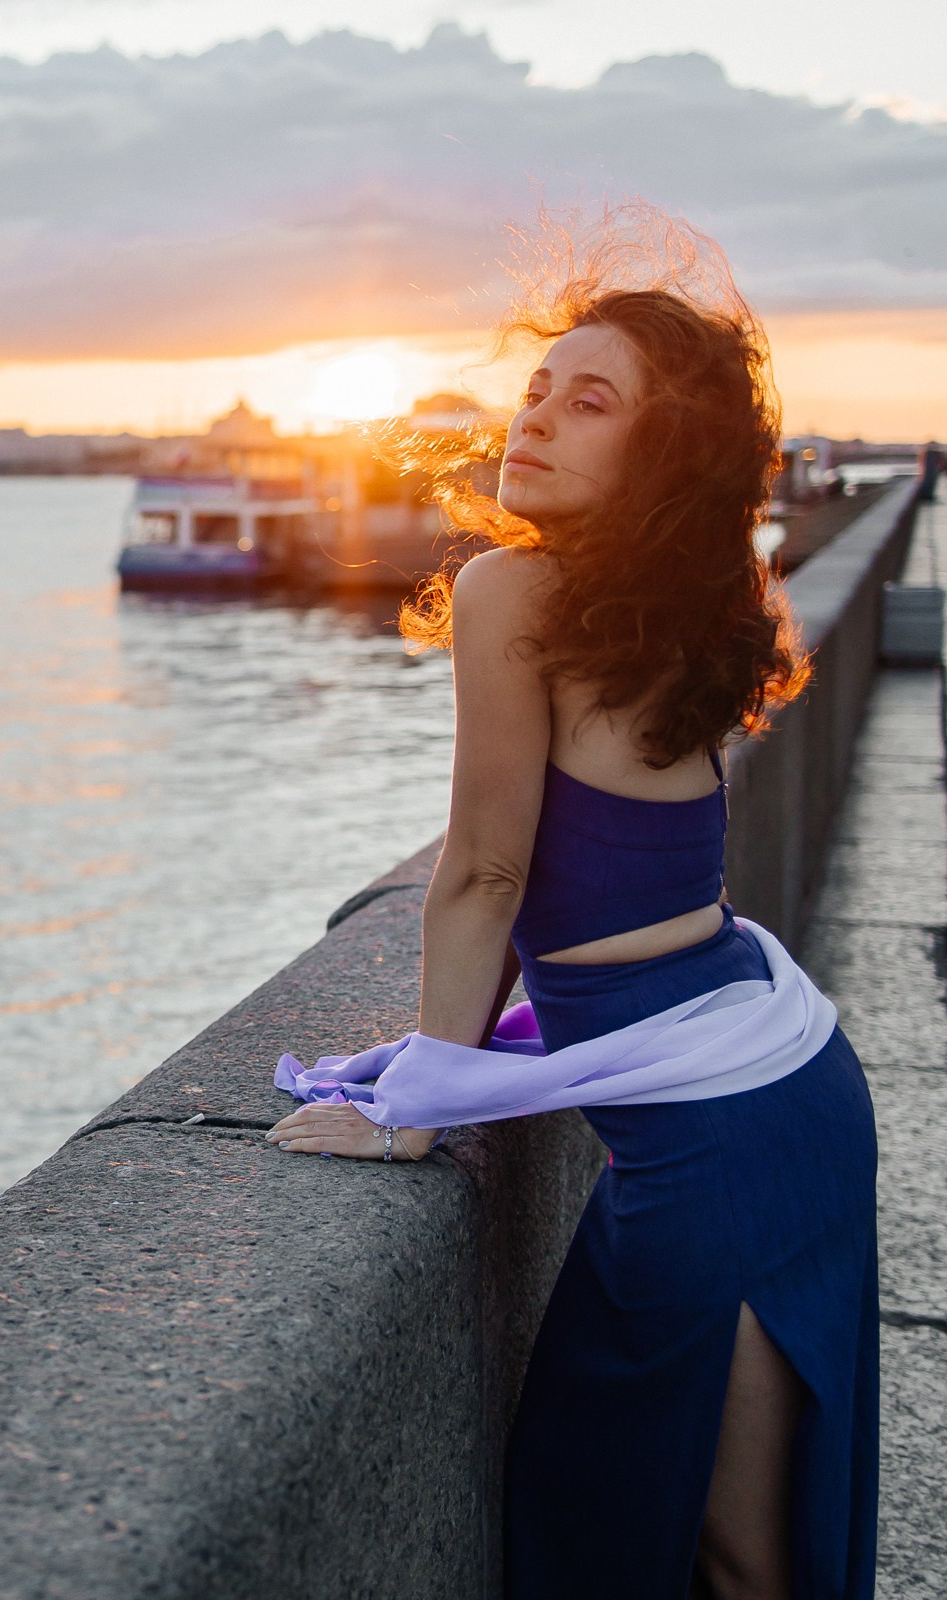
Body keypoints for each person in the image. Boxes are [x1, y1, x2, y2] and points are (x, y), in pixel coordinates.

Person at [265, 216, 879, 1600]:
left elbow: (483, 872)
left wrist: (422, 1100)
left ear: (657, 457)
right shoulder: (677, 605)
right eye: (537, 387)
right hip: (776, 1087)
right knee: (717, 1544)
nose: (533, 418)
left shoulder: (514, 589)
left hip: (718, 1137)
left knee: (719, 1551)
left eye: (588, 401)